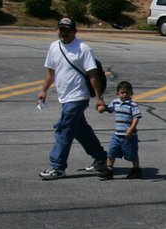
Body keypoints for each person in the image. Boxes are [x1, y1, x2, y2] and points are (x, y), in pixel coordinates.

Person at [36, 17, 109, 180]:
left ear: (75, 31)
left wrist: (99, 97)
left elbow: (93, 75)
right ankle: (100, 158)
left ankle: (57, 166)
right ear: (57, 30)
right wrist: (44, 90)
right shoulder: (54, 47)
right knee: (80, 129)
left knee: (64, 129)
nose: (64, 33)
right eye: (61, 29)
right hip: (64, 96)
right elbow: (50, 72)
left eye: (67, 30)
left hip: (78, 96)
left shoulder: (83, 49)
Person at [96, 81, 143, 180]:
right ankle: (109, 170)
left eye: (127, 92)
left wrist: (131, 129)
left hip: (129, 136)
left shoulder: (132, 105)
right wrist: (102, 108)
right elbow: (109, 109)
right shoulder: (115, 102)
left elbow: (136, 118)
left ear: (131, 93)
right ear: (118, 93)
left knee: (132, 154)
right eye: (122, 92)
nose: (124, 94)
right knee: (111, 152)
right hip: (117, 135)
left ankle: (136, 169)